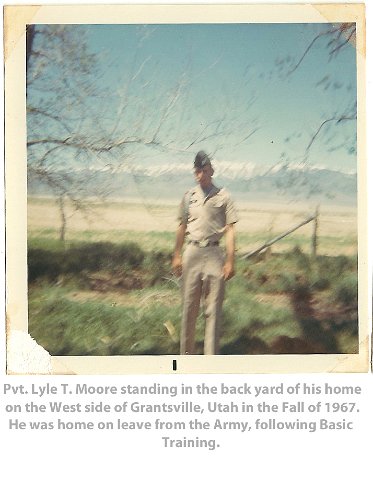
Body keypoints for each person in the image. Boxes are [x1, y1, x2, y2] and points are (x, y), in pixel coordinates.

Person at [172, 151, 238, 355]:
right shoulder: (188, 197)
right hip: (192, 253)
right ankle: (186, 359)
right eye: (198, 171)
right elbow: (182, 227)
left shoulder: (224, 196)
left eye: (205, 170)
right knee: (189, 310)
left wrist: (230, 260)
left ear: (212, 170)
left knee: (213, 312)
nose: (201, 175)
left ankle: (210, 364)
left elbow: (230, 230)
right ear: (195, 173)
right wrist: (176, 255)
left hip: (214, 255)